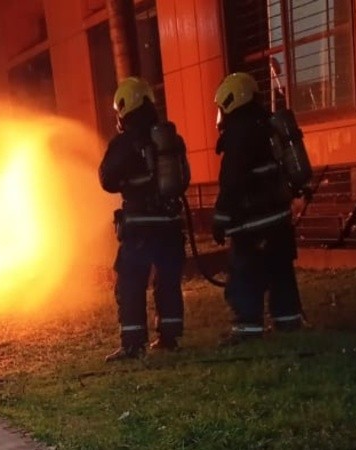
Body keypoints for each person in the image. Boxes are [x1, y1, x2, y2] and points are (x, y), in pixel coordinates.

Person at [99, 77, 191, 362]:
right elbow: (184, 178)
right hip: (169, 223)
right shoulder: (170, 138)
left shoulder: (124, 142)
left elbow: (106, 179)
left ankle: (133, 344)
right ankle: (169, 336)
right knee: (167, 280)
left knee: (131, 282)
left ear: (125, 107)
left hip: (139, 227)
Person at [211, 72, 304, 345]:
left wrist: (219, 218)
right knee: (280, 272)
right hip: (278, 219)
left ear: (231, 100)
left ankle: (247, 329)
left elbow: (232, 182)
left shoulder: (238, 135)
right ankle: (288, 322)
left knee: (245, 274)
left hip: (251, 224)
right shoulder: (268, 127)